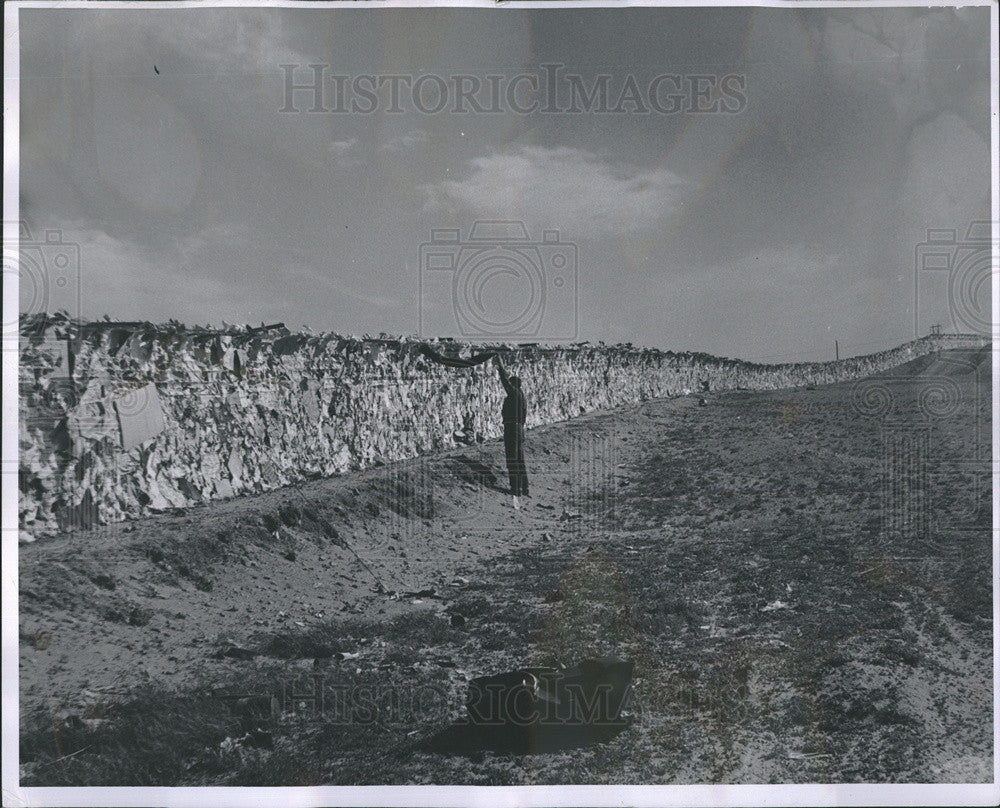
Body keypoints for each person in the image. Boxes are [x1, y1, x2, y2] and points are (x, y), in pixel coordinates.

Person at [493, 354, 529, 509]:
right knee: (520, 459)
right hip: (520, 429)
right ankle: (524, 488)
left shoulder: (513, 393)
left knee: (512, 459)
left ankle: (515, 489)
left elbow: (504, 381)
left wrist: (500, 367)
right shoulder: (522, 396)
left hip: (512, 429)